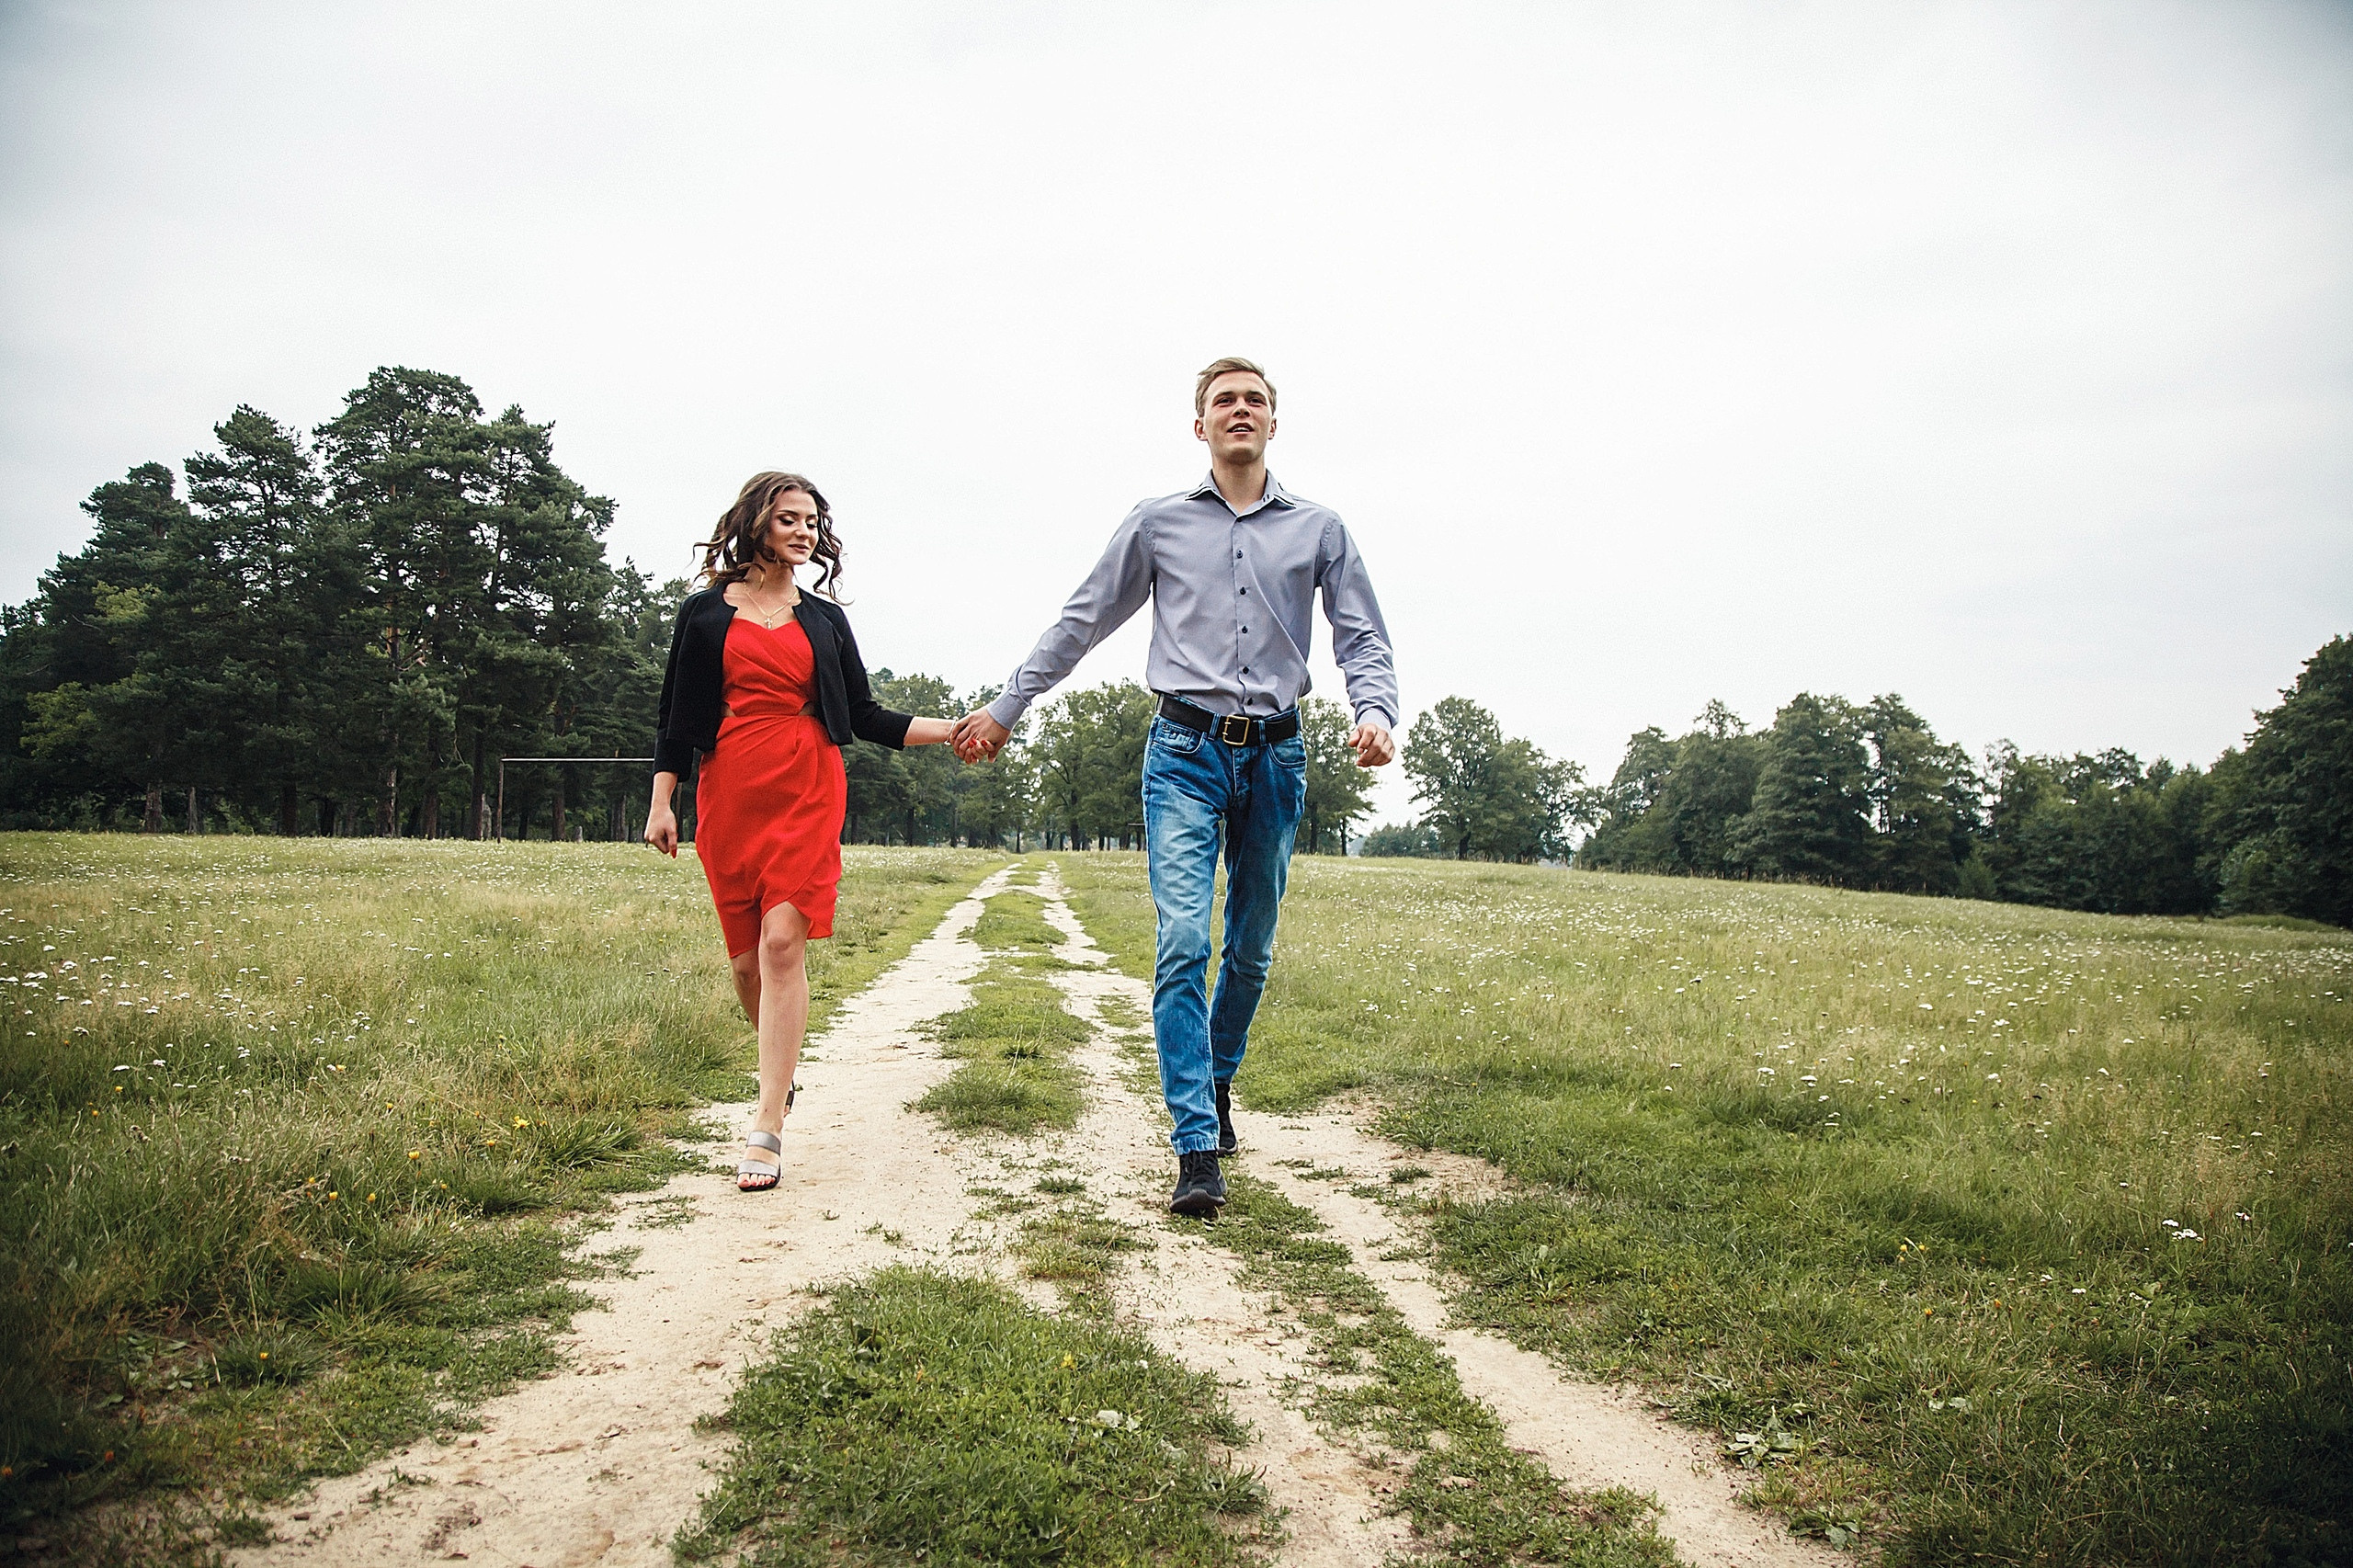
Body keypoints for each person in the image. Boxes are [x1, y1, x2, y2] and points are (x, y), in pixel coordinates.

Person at [951, 358, 1397, 1216]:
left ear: (1274, 423)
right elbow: (1082, 620)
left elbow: (1362, 635)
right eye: (1224, 401)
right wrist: (1009, 706)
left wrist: (1374, 709)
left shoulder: (1320, 529)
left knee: (1252, 944)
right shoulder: (1157, 523)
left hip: (1277, 755)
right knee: (1184, 938)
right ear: (1200, 426)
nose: (1240, 411)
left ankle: (1216, 1081)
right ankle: (1195, 1144)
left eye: (1254, 401)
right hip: (1184, 751)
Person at [645, 472, 959, 1191]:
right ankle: (778, 1071)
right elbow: (678, 722)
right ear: (756, 523)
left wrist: (952, 729)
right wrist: (663, 802)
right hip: (731, 791)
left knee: (783, 943)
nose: (804, 531)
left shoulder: (824, 621)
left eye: (812, 521)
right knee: (747, 967)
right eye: (789, 518)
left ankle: (766, 1124)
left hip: (808, 786)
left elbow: (867, 716)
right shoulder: (702, 616)